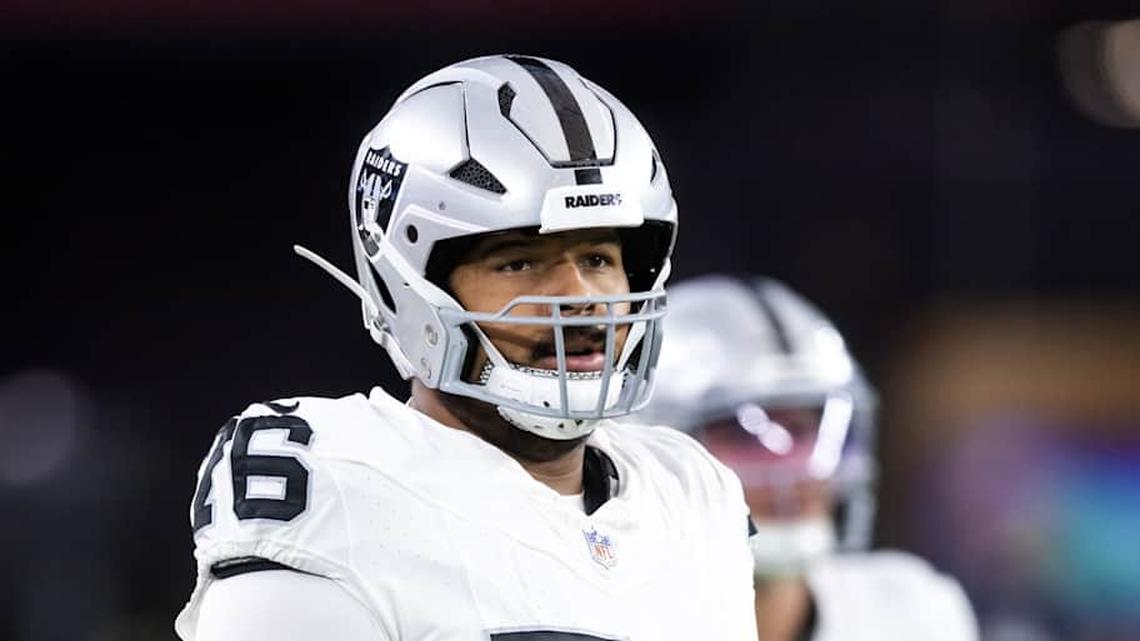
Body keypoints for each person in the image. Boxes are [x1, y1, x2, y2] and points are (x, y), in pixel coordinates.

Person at [173, 56, 757, 641]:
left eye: (599, 259)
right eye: (520, 262)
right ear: (406, 281)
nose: (580, 298)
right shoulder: (335, 485)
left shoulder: (690, 491)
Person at [636, 275, 979, 641]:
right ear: (645, 448)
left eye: (806, 429)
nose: (794, 467)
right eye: (744, 432)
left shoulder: (912, 612)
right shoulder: (597, 619)